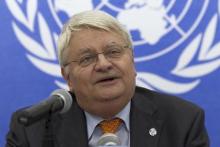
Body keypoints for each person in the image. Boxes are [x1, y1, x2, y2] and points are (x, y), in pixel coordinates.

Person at [6, 10, 209, 147]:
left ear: (133, 61)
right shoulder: (33, 130)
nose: (103, 64)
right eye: (87, 58)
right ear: (67, 77)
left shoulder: (183, 121)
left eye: (113, 52)